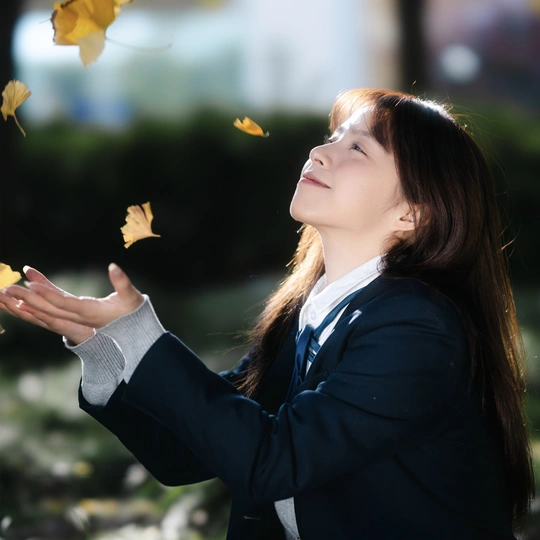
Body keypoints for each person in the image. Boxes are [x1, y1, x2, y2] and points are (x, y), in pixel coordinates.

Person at [0, 88, 534, 539]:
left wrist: (143, 333)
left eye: (357, 148)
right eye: (331, 137)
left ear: (412, 214)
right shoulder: (313, 311)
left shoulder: (417, 330)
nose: (320, 152)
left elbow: (270, 462)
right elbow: (184, 452)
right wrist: (102, 347)